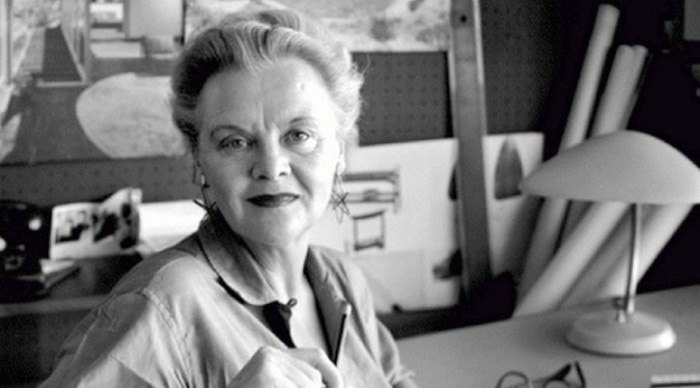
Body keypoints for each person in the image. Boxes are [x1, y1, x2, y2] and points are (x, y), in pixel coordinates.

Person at [40, 9, 418, 388]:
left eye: (299, 135)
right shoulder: (160, 306)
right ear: (200, 161)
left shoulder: (342, 281)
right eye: (235, 142)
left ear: (340, 152)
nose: (270, 167)